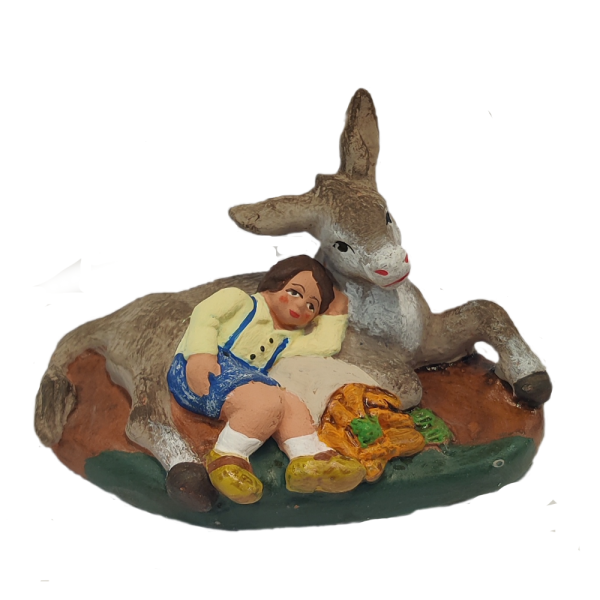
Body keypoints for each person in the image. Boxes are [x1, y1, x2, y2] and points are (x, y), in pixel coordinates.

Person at [167, 255, 366, 504]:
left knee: (291, 402)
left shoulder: (288, 339)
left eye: (311, 306)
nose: (301, 305)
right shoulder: (240, 301)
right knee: (266, 401)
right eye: (294, 292)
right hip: (206, 371)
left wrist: (335, 315)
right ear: (274, 283)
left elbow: (324, 345)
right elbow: (206, 315)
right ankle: (226, 459)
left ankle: (310, 460)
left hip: (247, 383)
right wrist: (201, 354)